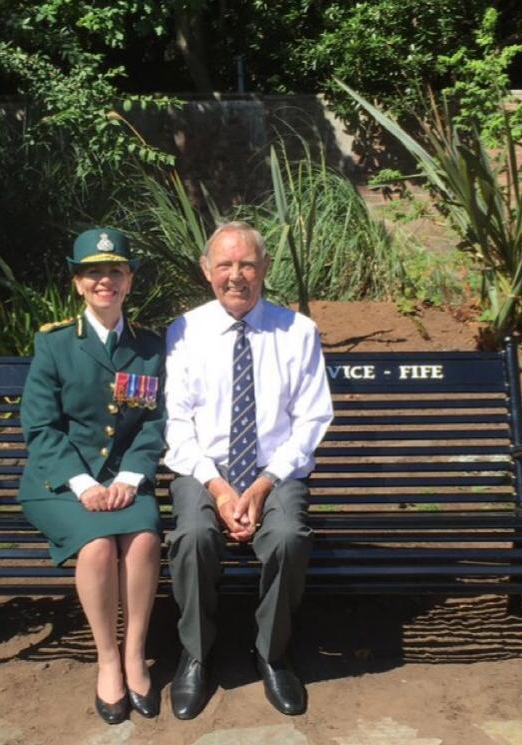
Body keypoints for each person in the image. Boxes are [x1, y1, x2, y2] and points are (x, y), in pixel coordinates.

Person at [163, 221, 334, 718]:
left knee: (287, 537)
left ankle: (272, 653)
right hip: (204, 469)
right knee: (192, 537)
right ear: (206, 270)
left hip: (274, 470)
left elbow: (311, 418)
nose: (235, 276)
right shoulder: (185, 331)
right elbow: (176, 422)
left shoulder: (297, 332)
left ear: (264, 269)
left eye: (247, 264)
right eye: (224, 265)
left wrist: (261, 485)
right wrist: (217, 487)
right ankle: (195, 653)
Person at [17, 228, 165, 725]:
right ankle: (106, 659)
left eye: (115, 271)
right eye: (93, 272)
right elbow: (40, 427)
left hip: (125, 480)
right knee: (99, 547)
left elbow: (154, 422)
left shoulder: (149, 347)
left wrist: (129, 476)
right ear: (78, 282)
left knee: (143, 540)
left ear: (129, 280)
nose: (105, 281)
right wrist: (84, 484)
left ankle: (134, 653)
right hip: (59, 484)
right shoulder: (55, 344)